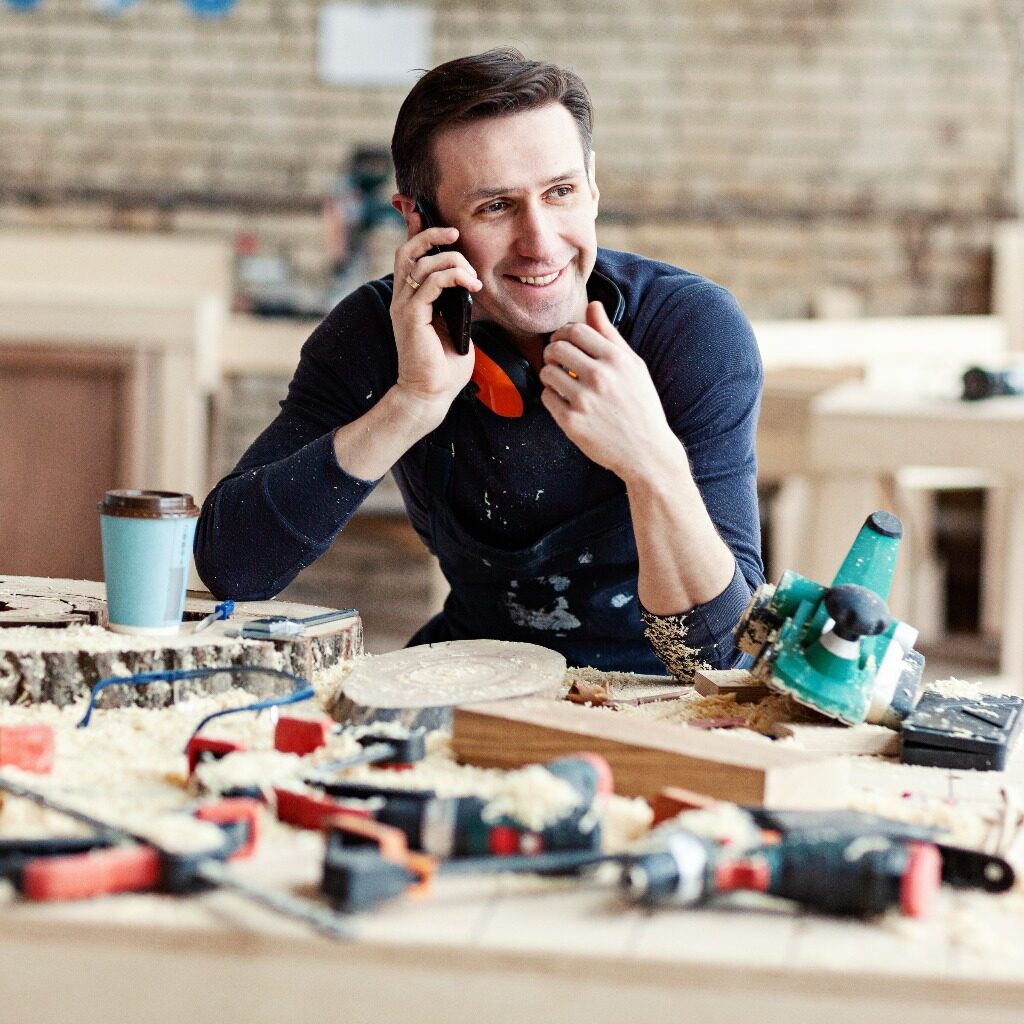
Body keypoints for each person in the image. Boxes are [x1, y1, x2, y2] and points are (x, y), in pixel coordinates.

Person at [195, 48, 764, 679]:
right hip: (474, 675)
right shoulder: (377, 332)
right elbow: (232, 567)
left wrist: (650, 460)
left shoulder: (688, 329)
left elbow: (724, 656)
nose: (541, 242)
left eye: (561, 192)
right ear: (419, 220)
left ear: (594, 186)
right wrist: (409, 404)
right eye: (496, 206)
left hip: (658, 694)